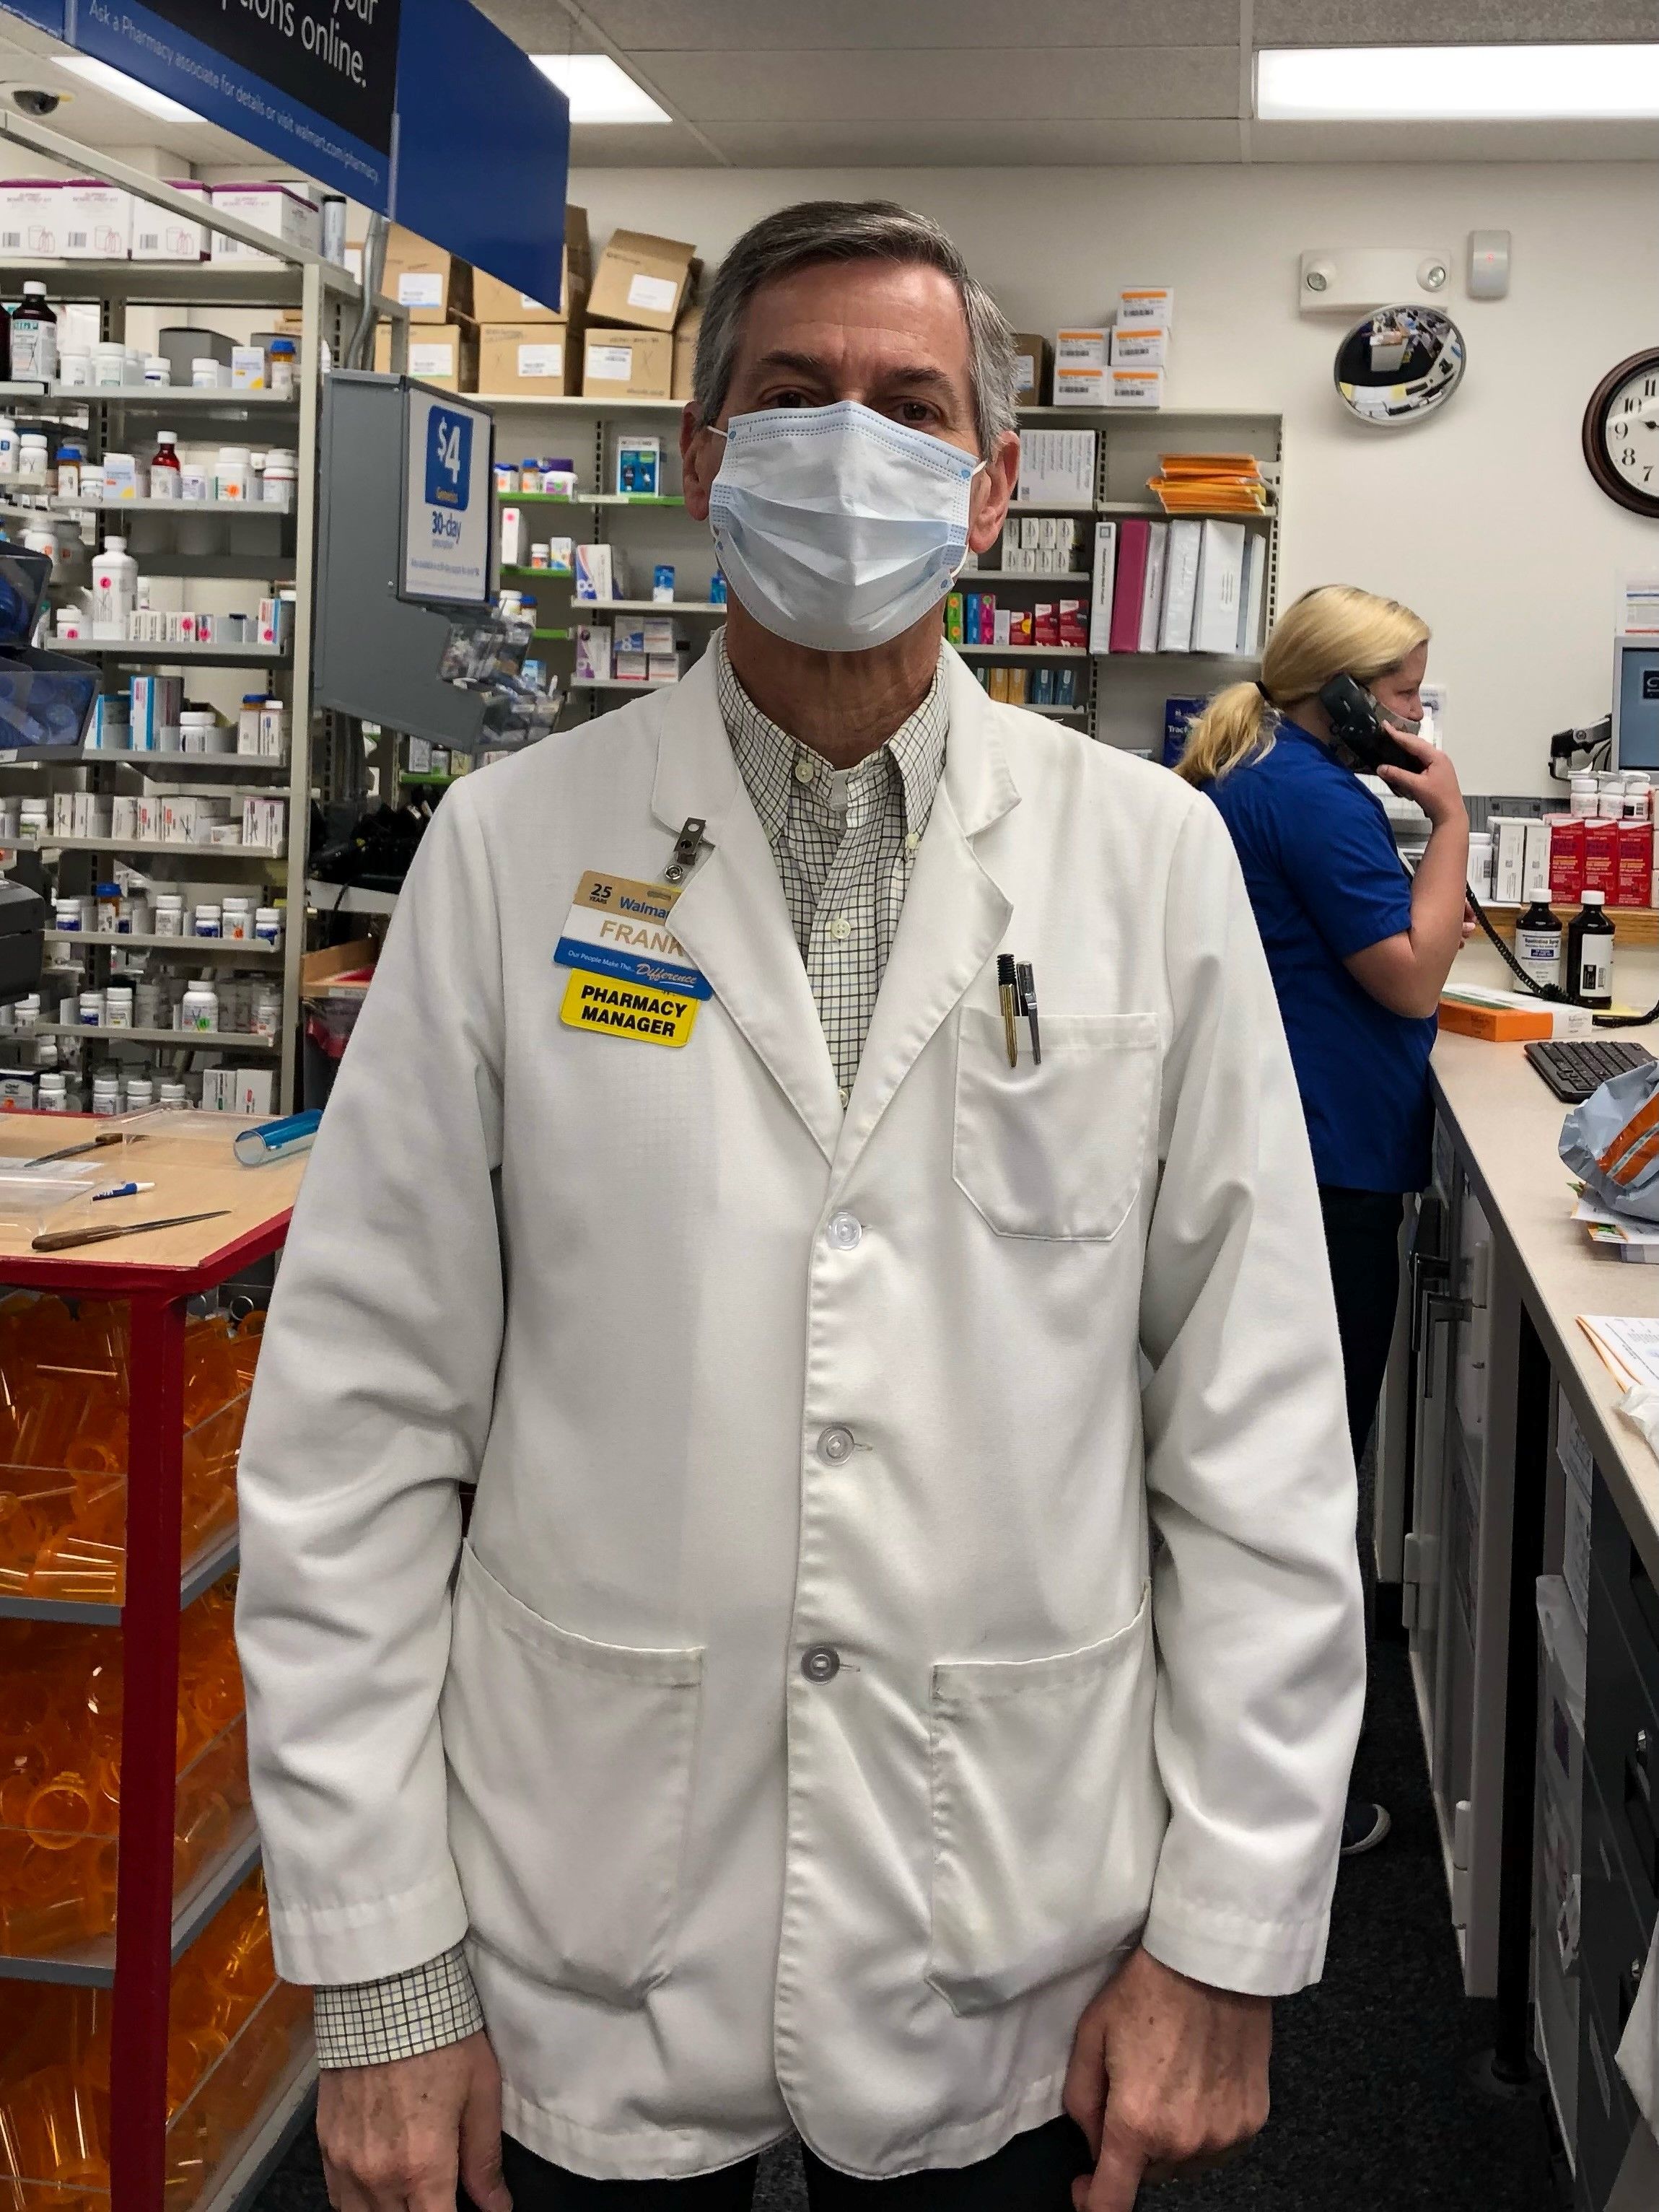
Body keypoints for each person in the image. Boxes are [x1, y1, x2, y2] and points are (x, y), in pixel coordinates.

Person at [235, 201, 1365, 2212]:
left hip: (1011, 1906)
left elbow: (1257, 1437)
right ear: (698, 455)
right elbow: (355, 1437)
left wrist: (1227, 1927)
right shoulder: (511, 856)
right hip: (571, 1905)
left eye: (911, 407)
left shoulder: (1147, 863)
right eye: (792, 396)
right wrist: (378, 1954)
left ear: (994, 484)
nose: (852, 448)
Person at [1180, 585, 1468, 1861]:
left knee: (1281, 1466)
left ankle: (1261, 1774)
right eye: (1403, 695)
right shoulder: (1314, 795)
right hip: (1328, 1165)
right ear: (1343, 695)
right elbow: (1408, 973)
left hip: (1298, 1153)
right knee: (1315, 1478)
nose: (1415, 716)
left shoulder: (1264, 772)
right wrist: (1449, 815)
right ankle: (1300, 1801)